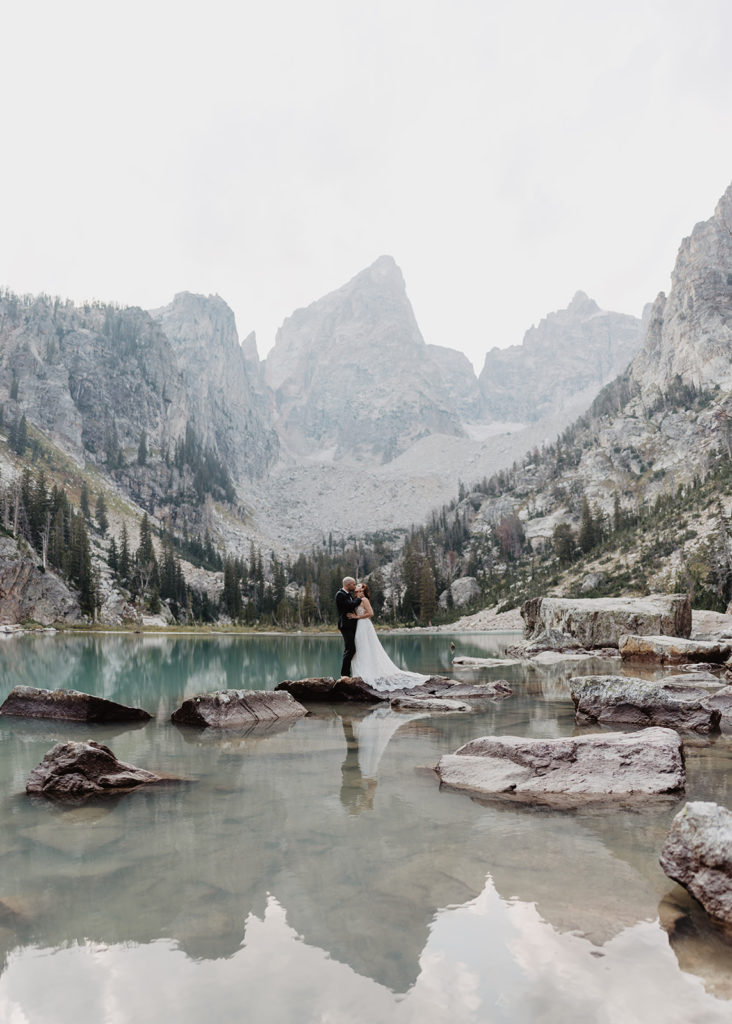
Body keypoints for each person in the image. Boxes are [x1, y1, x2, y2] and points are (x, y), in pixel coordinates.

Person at [350, 582, 429, 691]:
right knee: (360, 647)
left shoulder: (364, 600)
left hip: (364, 625)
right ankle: (361, 672)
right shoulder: (355, 599)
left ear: (363, 591)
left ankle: (368, 673)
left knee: (366, 647)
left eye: (360, 589)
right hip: (358, 626)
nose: (358, 590)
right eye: (357, 589)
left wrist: (357, 617)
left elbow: (371, 613)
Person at [335, 576, 361, 677]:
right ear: (348, 584)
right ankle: (344, 674)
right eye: (354, 584)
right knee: (350, 649)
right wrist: (358, 599)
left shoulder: (348, 594)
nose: (354, 586)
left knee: (352, 649)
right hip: (345, 625)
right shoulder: (340, 594)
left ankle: (349, 673)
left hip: (351, 624)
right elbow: (350, 606)